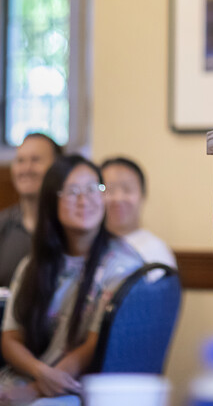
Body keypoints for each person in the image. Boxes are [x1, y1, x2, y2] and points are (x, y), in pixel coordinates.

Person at [0, 154, 143, 404]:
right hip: (30, 377)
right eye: (72, 191)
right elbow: (11, 337)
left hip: (80, 387)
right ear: (51, 202)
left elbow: (91, 347)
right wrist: (39, 372)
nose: (84, 199)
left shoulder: (122, 265)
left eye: (92, 189)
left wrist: (33, 390)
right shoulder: (34, 263)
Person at [0, 133, 62, 287]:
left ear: (58, 167)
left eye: (36, 160)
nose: (26, 168)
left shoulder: (70, 227)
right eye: (20, 161)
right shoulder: (3, 225)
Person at [100, 157, 176, 268]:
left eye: (127, 189)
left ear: (143, 195)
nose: (118, 198)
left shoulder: (155, 250)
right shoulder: (88, 246)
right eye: (109, 189)